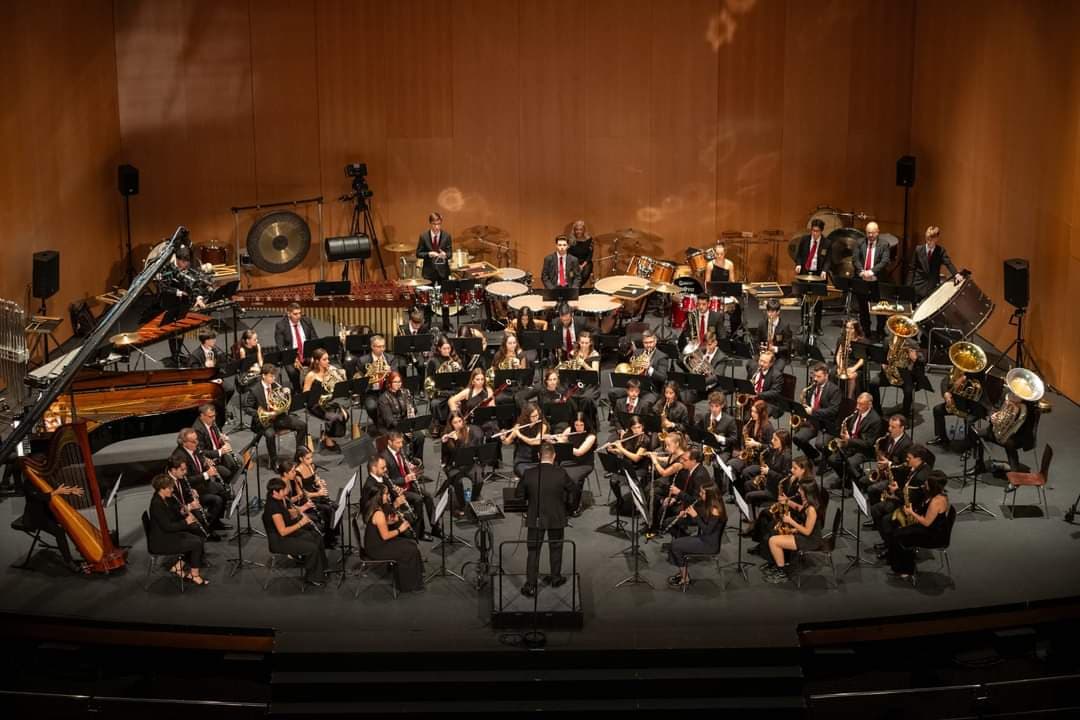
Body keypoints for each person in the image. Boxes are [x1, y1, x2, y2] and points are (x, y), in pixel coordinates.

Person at [516, 443, 580, 597]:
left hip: (535, 517)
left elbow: (519, 495)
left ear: (539, 456)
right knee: (556, 547)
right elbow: (575, 491)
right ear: (554, 456)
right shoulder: (561, 473)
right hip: (556, 516)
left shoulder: (529, 473)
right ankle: (556, 578)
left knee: (533, 551)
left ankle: (531, 585)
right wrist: (569, 509)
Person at [885, 470, 950, 579]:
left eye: (927, 483)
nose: (924, 484)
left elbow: (926, 522)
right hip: (930, 528)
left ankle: (906, 569)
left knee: (900, 535)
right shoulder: (935, 495)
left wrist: (911, 513)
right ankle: (897, 562)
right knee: (898, 531)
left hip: (933, 535)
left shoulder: (936, 501)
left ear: (933, 486)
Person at [263, 477, 328, 587]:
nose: (286, 492)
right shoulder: (272, 508)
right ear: (275, 492)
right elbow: (283, 531)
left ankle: (322, 569)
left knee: (316, 536)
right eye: (283, 490)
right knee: (312, 548)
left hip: (287, 534)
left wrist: (301, 510)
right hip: (280, 541)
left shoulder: (280, 499)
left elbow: (287, 513)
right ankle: (313, 578)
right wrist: (301, 523)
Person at [361, 483, 425, 592]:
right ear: (379, 496)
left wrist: (391, 521)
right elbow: (385, 536)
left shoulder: (376, 508)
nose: (389, 496)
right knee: (409, 550)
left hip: (377, 543)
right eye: (386, 494)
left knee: (410, 544)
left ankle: (416, 573)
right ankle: (408, 585)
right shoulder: (379, 514)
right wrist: (401, 528)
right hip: (377, 548)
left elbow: (380, 525)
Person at [147, 473, 209, 586]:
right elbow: (168, 526)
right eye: (170, 488)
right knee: (196, 543)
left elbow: (171, 517)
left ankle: (177, 567)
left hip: (166, 535)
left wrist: (182, 512)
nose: (172, 490)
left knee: (197, 538)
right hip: (161, 541)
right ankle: (194, 575)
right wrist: (186, 522)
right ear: (162, 489)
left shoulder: (163, 498)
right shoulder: (157, 504)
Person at [244, 364, 308, 470]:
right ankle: (274, 461)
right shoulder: (254, 390)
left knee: (302, 425)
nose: (273, 379)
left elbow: (284, 403)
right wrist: (262, 413)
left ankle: (299, 456)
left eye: (274, 376)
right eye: (271, 376)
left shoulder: (276, 386)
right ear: (263, 376)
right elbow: (247, 408)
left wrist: (287, 393)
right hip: (263, 421)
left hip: (279, 418)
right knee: (270, 434)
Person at [19, 473, 86, 574]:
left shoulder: (45, 478)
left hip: (49, 513)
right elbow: (40, 497)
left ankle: (84, 552)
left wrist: (71, 490)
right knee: (60, 532)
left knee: (72, 522)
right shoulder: (28, 484)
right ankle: (69, 561)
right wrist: (56, 492)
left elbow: (59, 488)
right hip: (35, 517)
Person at [763, 479, 826, 584]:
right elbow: (800, 510)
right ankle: (778, 564)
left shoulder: (812, 509)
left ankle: (782, 573)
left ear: (807, 491)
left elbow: (807, 532)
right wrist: (793, 529)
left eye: (801, 489)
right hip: (806, 536)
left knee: (773, 541)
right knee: (776, 534)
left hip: (810, 541)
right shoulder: (809, 502)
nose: (798, 490)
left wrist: (791, 522)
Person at [873, 444, 934, 549]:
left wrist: (896, 491)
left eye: (909, 458)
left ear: (918, 458)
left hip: (912, 508)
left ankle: (892, 547)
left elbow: (910, 500)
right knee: (875, 509)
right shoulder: (916, 466)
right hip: (905, 498)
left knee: (886, 520)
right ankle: (888, 541)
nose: (906, 459)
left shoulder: (921, 477)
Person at [667, 483, 726, 589]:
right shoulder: (711, 506)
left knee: (675, 546)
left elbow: (707, 530)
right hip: (705, 539)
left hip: (709, 545)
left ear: (710, 495)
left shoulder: (715, 510)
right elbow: (705, 521)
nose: (700, 494)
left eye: (702, 493)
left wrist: (695, 515)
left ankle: (685, 579)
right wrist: (688, 514)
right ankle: (682, 573)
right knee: (676, 544)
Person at [382, 430, 437, 541]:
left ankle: (435, 527)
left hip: (408, 485)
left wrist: (410, 467)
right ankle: (419, 532)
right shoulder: (384, 458)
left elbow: (403, 464)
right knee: (418, 500)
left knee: (428, 496)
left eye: (401, 442)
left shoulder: (400, 450)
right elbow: (386, 480)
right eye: (397, 443)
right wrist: (405, 478)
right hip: (398, 490)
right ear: (389, 442)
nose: (401, 445)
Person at [170, 428, 228, 532]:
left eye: (197, 439)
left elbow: (200, 460)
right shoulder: (180, 457)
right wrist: (206, 474)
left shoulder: (194, 448)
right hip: (193, 490)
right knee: (217, 499)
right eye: (193, 441)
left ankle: (215, 521)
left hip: (202, 484)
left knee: (224, 490)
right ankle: (208, 528)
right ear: (183, 443)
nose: (197, 443)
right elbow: (186, 480)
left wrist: (206, 463)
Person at [827, 392, 882, 489]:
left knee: (850, 463)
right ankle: (846, 480)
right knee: (832, 459)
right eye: (857, 403)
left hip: (863, 450)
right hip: (851, 444)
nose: (857, 406)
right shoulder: (857, 412)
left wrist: (850, 440)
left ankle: (858, 482)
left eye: (861, 404)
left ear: (869, 404)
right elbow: (852, 428)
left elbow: (868, 443)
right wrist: (845, 434)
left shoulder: (875, 420)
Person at [792, 363, 841, 464]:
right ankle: (815, 456)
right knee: (797, 438)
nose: (815, 379)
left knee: (820, 444)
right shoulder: (814, 386)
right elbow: (809, 402)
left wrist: (813, 411)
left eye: (819, 376)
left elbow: (833, 411)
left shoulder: (834, 390)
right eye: (815, 376)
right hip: (813, 422)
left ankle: (828, 460)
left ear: (826, 375)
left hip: (826, 424)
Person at [864, 414, 912, 518]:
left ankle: (876, 516)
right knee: (863, 481)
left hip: (897, 478)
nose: (890, 429)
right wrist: (882, 460)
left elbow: (906, 467)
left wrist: (889, 464)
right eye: (889, 426)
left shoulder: (907, 445)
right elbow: (887, 453)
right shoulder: (890, 437)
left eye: (893, 427)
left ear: (902, 428)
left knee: (872, 489)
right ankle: (878, 506)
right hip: (887, 471)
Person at [439, 412, 485, 513]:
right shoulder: (447, 436)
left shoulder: (469, 432)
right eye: (455, 422)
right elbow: (448, 455)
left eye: (460, 421)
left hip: (470, 463)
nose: (458, 424)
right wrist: (446, 442)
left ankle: (473, 501)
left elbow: (469, 451)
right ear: (451, 424)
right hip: (454, 466)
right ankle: (462, 505)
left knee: (479, 480)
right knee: (459, 483)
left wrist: (459, 439)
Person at [303, 348, 347, 451]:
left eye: (328, 359)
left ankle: (327, 435)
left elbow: (339, 384)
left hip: (329, 401)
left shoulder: (330, 370)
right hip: (315, 405)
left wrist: (338, 374)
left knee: (345, 415)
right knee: (335, 417)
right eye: (325, 359)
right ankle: (328, 439)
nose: (328, 361)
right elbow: (305, 394)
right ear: (317, 361)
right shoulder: (311, 375)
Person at [553, 411, 597, 516]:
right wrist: (555, 439)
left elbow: (579, 452)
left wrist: (564, 443)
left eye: (581, 425)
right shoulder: (569, 430)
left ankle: (575, 505)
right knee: (557, 474)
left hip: (584, 463)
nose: (578, 427)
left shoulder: (591, 436)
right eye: (576, 425)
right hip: (569, 460)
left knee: (573, 479)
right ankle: (562, 501)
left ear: (586, 424)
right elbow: (560, 440)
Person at [293, 449, 339, 548]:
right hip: (308, 500)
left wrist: (319, 482)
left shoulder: (310, 466)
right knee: (328, 509)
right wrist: (318, 493)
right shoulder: (297, 474)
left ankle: (333, 534)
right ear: (301, 459)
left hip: (316, 494)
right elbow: (303, 494)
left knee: (335, 506)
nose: (311, 460)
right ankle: (328, 539)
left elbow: (315, 478)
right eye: (308, 458)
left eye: (311, 457)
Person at [853, 221, 892, 339]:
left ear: (877, 232)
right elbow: (855, 259)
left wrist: (871, 271)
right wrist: (861, 271)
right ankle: (866, 330)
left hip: (877, 281)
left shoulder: (884, 244)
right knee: (863, 308)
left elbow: (884, 261)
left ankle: (880, 330)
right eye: (868, 233)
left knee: (880, 308)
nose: (870, 235)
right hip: (862, 280)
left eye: (872, 233)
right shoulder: (860, 242)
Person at [741, 430, 793, 517]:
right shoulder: (776, 450)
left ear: (783, 442)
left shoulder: (786, 457)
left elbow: (784, 478)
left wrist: (768, 472)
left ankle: (752, 518)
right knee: (747, 484)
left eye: (775, 439)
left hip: (775, 490)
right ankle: (756, 507)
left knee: (748, 496)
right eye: (773, 438)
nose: (772, 441)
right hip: (769, 482)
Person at [793, 219, 829, 334]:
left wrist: (825, 270)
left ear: (821, 231)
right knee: (804, 300)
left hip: (819, 274)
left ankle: (817, 326)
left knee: (818, 301)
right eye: (813, 230)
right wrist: (798, 264)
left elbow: (828, 260)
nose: (814, 233)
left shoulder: (827, 243)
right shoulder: (805, 240)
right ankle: (803, 324)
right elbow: (798, 255)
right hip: (805, 273)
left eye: (817, 231)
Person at [377, 371, 423, 460]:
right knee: (402, 440)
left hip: (405, 424)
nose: (398, 384)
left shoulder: (405, 392)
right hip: (390, 428)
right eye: (395, 382)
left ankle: (417, 461)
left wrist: (412, 410)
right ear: (389, 383)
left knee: (420, 436)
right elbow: (390, 420)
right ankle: (403, 464)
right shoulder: (383, 399)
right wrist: (404, 430)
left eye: (400, 382)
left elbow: (414, 409)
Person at [697, 391, 739, 489]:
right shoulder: (706, 417)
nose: (714, 409)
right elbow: (701, 433)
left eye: (716, 406)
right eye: (711, 406)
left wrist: (719, 438)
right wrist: (704, 445)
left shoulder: (729, 420)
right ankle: (700, 483)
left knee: (716, 464)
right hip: (708, 447)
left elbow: (734, 439)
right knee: (695, 456)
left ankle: (719, 487)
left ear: (722, 405)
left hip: (723, 450)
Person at [908, 225, 961, 302]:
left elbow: (948, 263)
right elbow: (912, 269)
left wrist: (956, 274)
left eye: (931, 240)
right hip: (918, 286)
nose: (928, 242)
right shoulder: (918, 249)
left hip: (931, 288)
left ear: (936, 239)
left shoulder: (940, 251)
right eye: (927, 239)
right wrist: (909, 286)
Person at [274, 303, 317, 392]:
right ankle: (298, 391)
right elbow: (280, 346)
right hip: (291, 355)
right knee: (293, 373)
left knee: (319, 363)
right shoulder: (281, 325)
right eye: (295, 314)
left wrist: (314, 355)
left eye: (300, 313)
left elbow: (314, 339)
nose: (298, 316)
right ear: (289, 314)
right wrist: (292, 358)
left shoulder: (306, 321)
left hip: (307, 353)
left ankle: (313, 388)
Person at [193, 403, 238, 485]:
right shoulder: (197, 430)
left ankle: (228, 485)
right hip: (209, 460)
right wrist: (220, 452)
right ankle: (224, 488)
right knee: (227, 472)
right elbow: (201, 452)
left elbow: (215, 437)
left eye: (214, 416)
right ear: (202, 415)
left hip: (218, 454)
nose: (214, 419)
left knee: (236, 464)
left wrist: (221, 439)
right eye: (211, 416)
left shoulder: (211, 421)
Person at [728, 399, 774, 480]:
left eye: (755, 412)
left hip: (761, 460)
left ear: (762, 414)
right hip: (750, 456)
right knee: (730, 464)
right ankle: (735, 489)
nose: (752, 414)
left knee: (746, 472)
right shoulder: (751, 423)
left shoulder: (768, 428)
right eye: (752, 411)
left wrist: (757, 444)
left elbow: (771, 447)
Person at [355, 335, 398, 421]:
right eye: (379, 347)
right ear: (372, 347)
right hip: (370, 393)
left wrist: (391, 373)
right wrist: (370, 374)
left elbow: (396, 376)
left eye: (383, 346)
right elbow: (358, 380)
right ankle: (378, 423)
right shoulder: (363, 360)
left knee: (396, 404)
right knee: (372, 407)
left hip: (386, 391)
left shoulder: (390, 358)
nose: (382, 349)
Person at [504, 403, 548, 478]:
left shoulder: (542, 424)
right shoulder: (520, 424)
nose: (536, 418)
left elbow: (536, 442)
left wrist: (520, 435)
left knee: (543, 476)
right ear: (527, 416)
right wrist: (503, 437)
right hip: (522, 458)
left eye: (537, 415)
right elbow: (507, 442)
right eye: (533, 416)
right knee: (528, 475)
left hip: (538, 457)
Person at [753, 299, 793, 374]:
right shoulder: (762, 324)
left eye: (772, 311)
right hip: (764, 353)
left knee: (775, 371)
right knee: (751, 366)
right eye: (768, 311)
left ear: (778, 312)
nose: (770, 314)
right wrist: (761, 349)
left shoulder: (784, 326)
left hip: (779, 356)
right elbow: (756, 341)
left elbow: (787, 346)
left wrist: (775, 349)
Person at [833, 318, 866, 400]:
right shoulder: (842, 339)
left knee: (852, 377)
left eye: (851, 328)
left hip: (855, 366)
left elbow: (862, 359)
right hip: (843, 363)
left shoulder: (861, 341)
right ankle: (835, 397)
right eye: (847, 328)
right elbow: (838, 355)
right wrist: (841, 366)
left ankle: (849, 398)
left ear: (856, 329)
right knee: (832, 373)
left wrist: (853, 369)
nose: (848, 330)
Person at [747, 350, 785, 418]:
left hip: (768, 402)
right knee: (745, 416)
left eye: (764, 362)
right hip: (752, 399)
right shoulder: (754, 369)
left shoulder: (776, 375)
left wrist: (758, 395)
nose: (761, 364)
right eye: (760, 360)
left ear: (771, 364)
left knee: (757, 416)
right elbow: (748, 382)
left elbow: (775, 392)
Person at [416, 211, 452, 284]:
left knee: (445, 294)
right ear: (430, 223)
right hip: (429, 272)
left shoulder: (447, 236)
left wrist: (445, 255)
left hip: (443, 272)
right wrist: (429, 254)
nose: (436, 227)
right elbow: (418, 253)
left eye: (438, 224)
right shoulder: (424, 236)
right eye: (434, 224)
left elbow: (450, 254)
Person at [567, 220, 594, 285]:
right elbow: (568, 254)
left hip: (586, 262)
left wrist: (582, 266)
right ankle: (574, 290)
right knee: (571, 275)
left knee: (584, 274)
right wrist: (576, 265)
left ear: (584, 230)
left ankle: (575, 289)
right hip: (573, 262)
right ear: (574, 230)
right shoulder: (570, 240)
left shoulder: (589, 239)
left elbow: (589, 255)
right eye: (577, 230)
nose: (578, 231)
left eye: (580, 229)